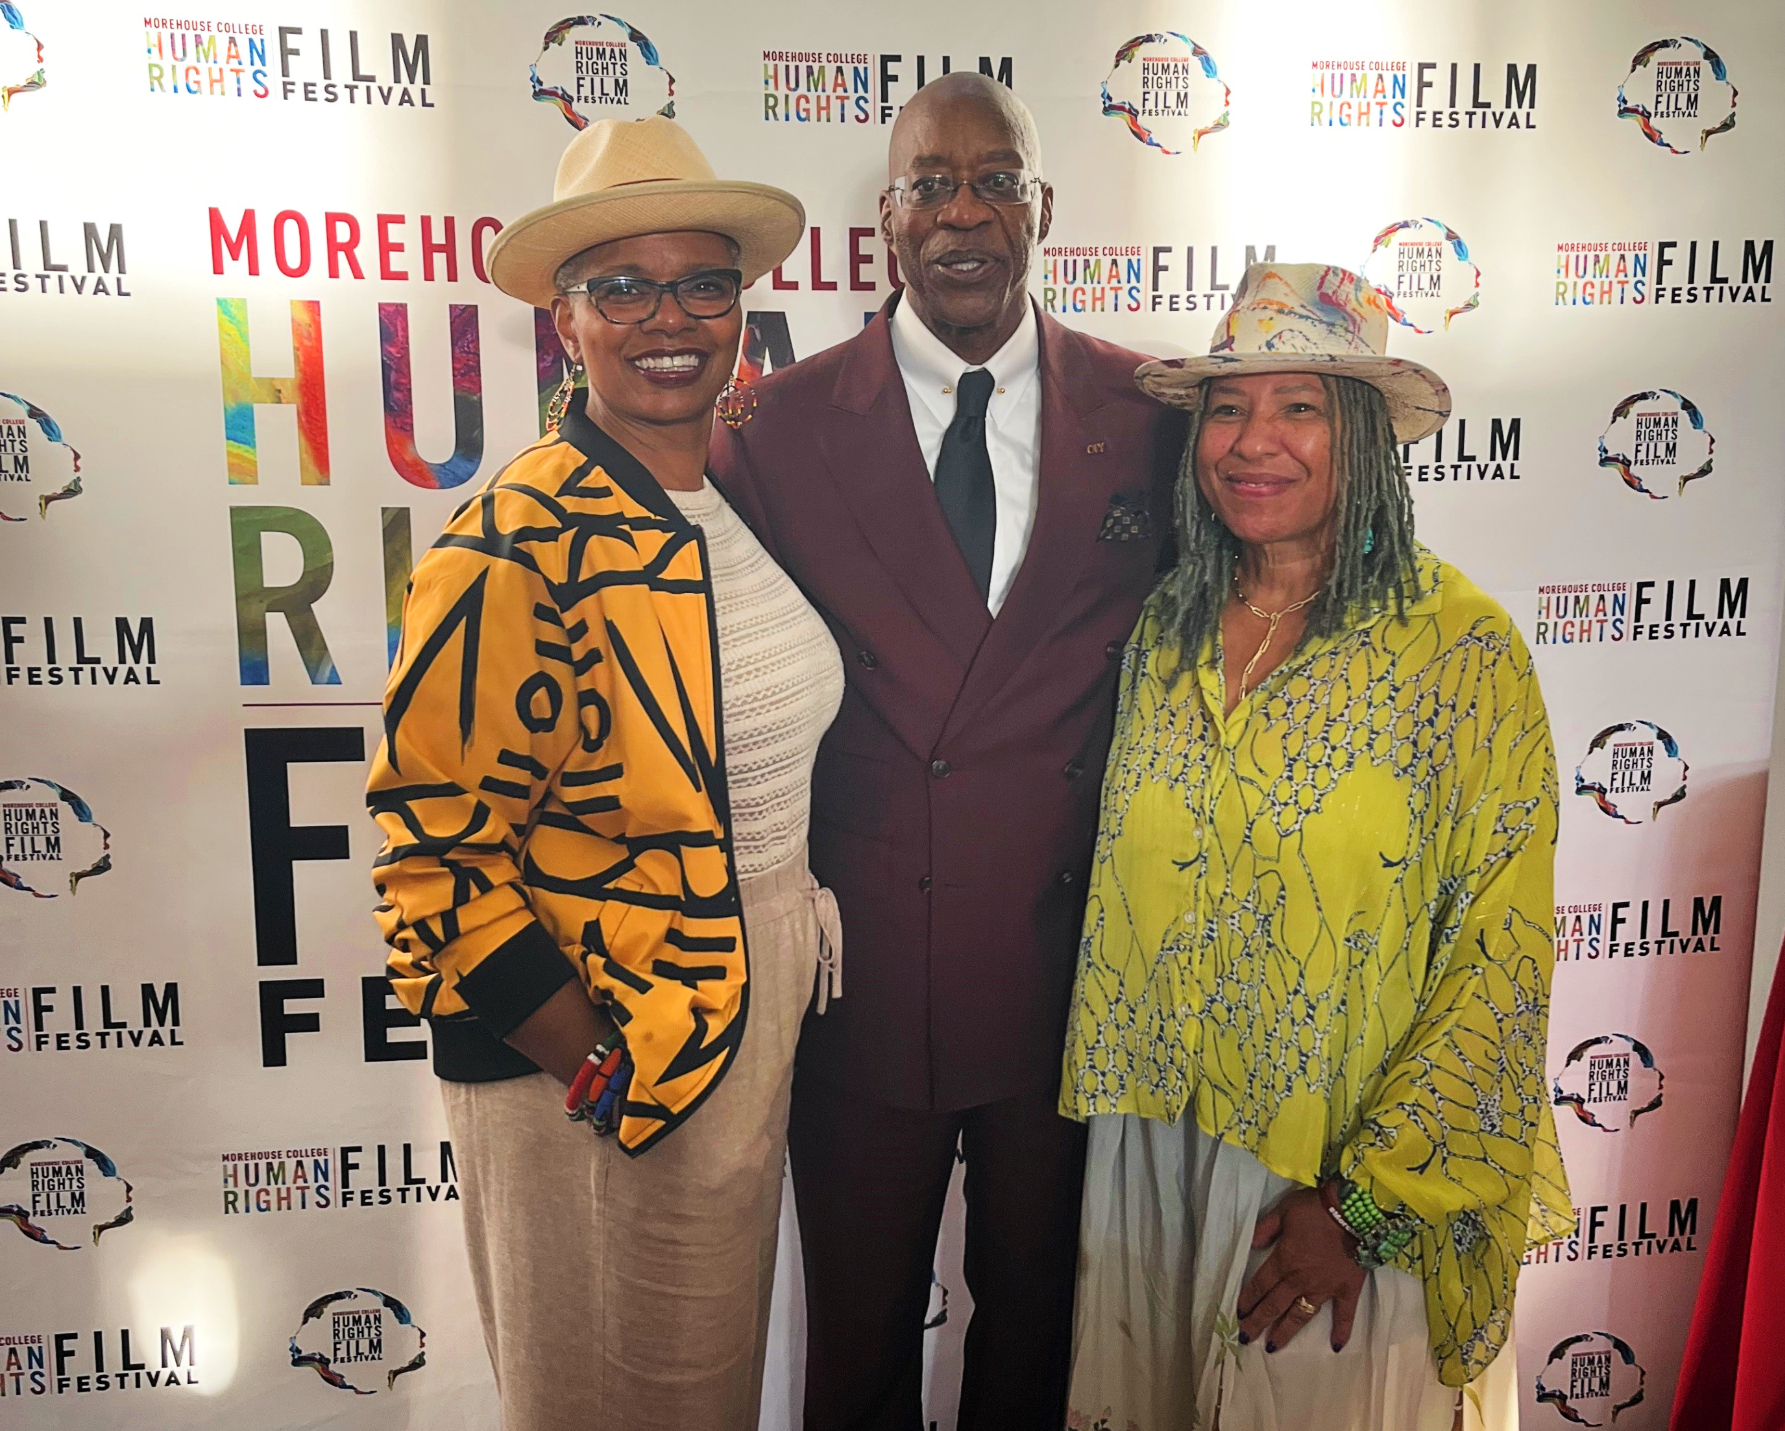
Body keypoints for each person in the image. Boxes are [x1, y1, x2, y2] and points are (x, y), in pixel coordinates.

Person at [710, 72, 1184, 1430]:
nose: (963, 212)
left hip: (1067, 980)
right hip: (860, 983)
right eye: (932, 184)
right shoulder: (781, 425)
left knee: (1038, 1329)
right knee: (854, 1341)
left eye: (994, 180)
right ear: (887, 218)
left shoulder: (1148, 413)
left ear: (1044, 207)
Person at [365, 116, 844, 1431]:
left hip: (726, 1029)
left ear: (741, 309)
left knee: (699, 1393)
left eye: (702, 281)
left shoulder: (714, 503)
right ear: (565, 322)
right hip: (594, 1054)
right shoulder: (517, 537)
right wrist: (596, 1065)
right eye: (620, 286)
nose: (667, 315)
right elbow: (428, 858)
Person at [1059, 262, 1577, 1431]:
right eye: (1230, 407)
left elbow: (1500, 962)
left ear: (1364, 438)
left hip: (1339, 1189)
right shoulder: (1164, 628)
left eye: (1300, 407)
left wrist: (1365, 1210)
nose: (1255, 441)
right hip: (1154, 1157)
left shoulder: (1462, 653)